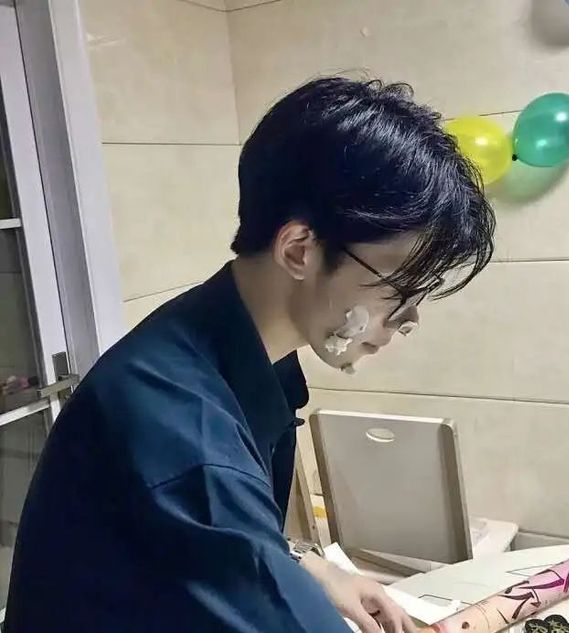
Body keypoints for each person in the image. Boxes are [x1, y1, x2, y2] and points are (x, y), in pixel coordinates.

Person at [4, 77, 495, 632]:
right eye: (400, 288)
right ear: (299, 250)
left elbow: (219, 538)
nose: (409, 320)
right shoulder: (180, 425)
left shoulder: (231, 341)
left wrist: (305, 566)